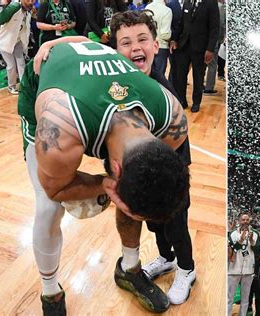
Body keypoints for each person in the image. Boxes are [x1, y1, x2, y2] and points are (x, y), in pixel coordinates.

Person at [33, 10, 197, 305]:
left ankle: (130, 267)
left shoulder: (172, 116)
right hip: (52, 105)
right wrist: (104, 185)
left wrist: (117, 186)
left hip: (96, 105)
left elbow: (148, 178)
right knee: (48, 207)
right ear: (116, 171)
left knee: (142, 185)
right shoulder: (57, 128)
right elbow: (55, 188)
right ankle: (50, 291)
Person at [170, 0, 219, 112]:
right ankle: (182, 100)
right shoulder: (187, 2)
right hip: (183, 46)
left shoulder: (211, 3)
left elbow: (214, 28)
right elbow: (181, 23)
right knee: (180, 75)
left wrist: (210, 49)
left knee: (198, 76)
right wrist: (174, 39)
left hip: (200, 48)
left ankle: (196, 102)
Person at [0, 0, 34, 94]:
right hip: (5, 41)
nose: (30, 2)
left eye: (32, 0)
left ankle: (24, 85)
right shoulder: (14, 7)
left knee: (21, 62)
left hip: (17, 40)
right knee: (11, 65)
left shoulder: (28, 9)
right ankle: (11, 86)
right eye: (28, 0)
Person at [228, 213, 258, 316]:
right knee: (229, 298)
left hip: (248, 270)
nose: (245, 222)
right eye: (243, 220)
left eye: (247, 220)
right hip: (233, 269)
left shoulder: (255, 234)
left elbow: (256, 249)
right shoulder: (233, 234)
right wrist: (240, 240)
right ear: (239, 221)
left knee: (245, 299)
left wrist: (251, 240)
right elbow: (232, 249)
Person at [203, 0, 225, 95]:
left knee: (204, 64)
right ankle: (209, 88)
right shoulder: (220, 7)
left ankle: (201, 84)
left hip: (204, 39)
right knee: (212, 65)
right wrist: (220, 40)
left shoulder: (205, 5)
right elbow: (220, 26)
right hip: (213, 40)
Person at [144, 0, 172, 77]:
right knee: (159, 77)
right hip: (161, 47)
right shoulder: (167, 10)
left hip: (148, 45)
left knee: (148, 74)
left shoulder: (147, 7)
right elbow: (165, 34)